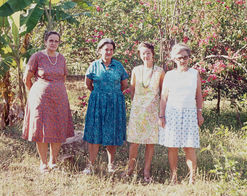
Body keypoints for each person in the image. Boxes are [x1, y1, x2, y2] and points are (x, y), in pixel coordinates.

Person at [22, 31, 74, 173]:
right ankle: (43, 163)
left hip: (59, 98)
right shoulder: (37, 57)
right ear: (45, 42)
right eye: (51, 40)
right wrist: (34, 92)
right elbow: (27, 78)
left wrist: (56, 90)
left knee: (57, 128)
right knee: (42, 129)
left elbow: (63, 78)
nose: (53, 43)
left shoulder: (62, 58)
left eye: (56, 41)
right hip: (41, 99)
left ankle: (53, 161)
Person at [158, 43, 204, 184]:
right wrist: (161, 116)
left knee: (189, 147)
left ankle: (192, 178)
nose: (183, 60)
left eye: (185, 57)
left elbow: (199, 95)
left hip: (190, 113)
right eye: (179, 58)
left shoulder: (194, 74)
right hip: (172, 114)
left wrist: (200, 113)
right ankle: (174, 177)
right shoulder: (169, 75)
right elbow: (164, 97)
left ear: (189, 58)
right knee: (173, 147)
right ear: (174, 59)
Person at [83, 38, 128, 174]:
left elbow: (124, 84)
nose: (108, 52)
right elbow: (88, 84)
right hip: (97, 102)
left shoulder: (118, 66)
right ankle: (90, 165)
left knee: (112, 133)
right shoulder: (94, 66)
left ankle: (111, 165)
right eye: (105, 49)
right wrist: (100, 94)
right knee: (94, 132)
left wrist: (112, 94)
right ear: (100, 50)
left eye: (111, 50)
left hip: (114, 102)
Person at [125, 42, 165, 182]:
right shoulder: (136, 70)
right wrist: (138, 105)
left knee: (150, 142)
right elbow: (132, 90)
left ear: (153, 54)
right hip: (138, 110)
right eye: (143, 53)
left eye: (148, 52)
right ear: (140, 55)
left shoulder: (160, 71)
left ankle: (146, 170)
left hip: (152, 111)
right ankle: (130, 168)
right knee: (134, 141)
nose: (145, 55)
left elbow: (163, 93)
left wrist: (161, 113)